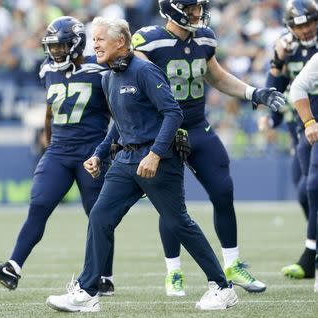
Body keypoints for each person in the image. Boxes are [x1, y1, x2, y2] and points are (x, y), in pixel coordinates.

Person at [46, 16, 238, 313]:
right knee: (100, 216)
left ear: (120, 41)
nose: (93, 44)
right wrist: (99, 154)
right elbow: (118, 125)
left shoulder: (145, 70)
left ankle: (222, 288)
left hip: (158, 159)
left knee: (179, 223)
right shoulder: (108, 76)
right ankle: (87, 291)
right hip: (126, 159)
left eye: (99, 39)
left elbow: (173, 113)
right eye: (93, 39)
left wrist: (156, 154)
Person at [131, 0, 286, 295]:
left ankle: (232, 263)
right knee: (172, 206)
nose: (197, 13)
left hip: (198, 126)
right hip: (165, 131)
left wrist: (254, 92)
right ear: (172, 9)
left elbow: (214, 76)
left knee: (223, 191)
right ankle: (173, 271)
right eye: (191, 8)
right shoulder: (148, 41)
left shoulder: (205, 37)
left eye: (199, 7)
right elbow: (135, 86)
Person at [0, 16, 117, 296]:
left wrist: (110, 148)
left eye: (61, 46)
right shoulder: (47, 70)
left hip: (91, 151)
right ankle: (12, 269)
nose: (55, 52)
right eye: (52, 47)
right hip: (58, 151)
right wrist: (48, 140)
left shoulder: (100, 70)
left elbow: (119, 111)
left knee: (98, 215)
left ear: (76, 45)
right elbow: (50, 109)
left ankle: (104, 275)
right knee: (39, 206)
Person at [262, 0, 318, 280]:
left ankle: (310, 254)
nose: (306, 30)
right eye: (300, 25)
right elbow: (276, 87)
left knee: (313, 185)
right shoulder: (287, 45)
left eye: (309, 23)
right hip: (303, 125)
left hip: (314, 123)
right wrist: (277, 62)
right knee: (303, 189)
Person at [289, 51, 318, 292]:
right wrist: (309, 122)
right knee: (311, 187)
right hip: (304, 130)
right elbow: (296, 87)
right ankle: (312, 253)